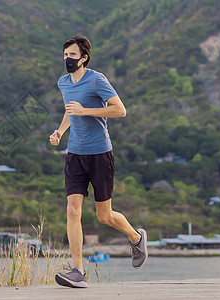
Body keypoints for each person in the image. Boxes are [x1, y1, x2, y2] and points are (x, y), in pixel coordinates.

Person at [49, 35, 147, 288]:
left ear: (84, 58)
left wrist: (87, 111)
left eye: (72, 55)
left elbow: (120, 110)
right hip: (75, 155)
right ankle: (78, 271)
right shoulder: (63, 82)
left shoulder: (97, 79)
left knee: (105, 216)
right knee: (72, 210)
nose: (67, 59)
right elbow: (70, 110)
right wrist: (61, 131)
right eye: (65, 55)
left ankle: (136, 238)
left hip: (100, 155)